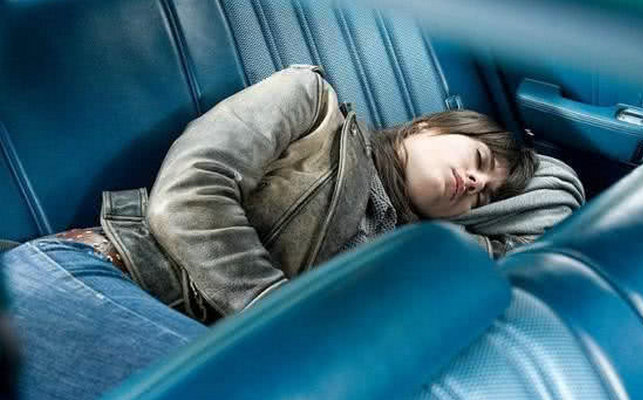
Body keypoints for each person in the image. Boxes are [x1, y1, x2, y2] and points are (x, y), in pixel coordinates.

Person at [1, 65, 583, 399]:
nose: (474, 182)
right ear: (426, 126)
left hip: (215, 351)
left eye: (484, 195)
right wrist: (278, 315)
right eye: (478, 159)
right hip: (89, 279)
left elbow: (545, 220)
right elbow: (188, 192)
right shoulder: (311, 103)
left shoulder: (418, 259)